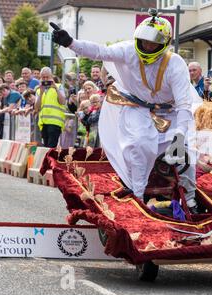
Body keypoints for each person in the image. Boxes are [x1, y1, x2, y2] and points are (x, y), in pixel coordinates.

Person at [51, 12, 201, 213]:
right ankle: (137, 194)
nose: (147, 46)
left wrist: (181, 136)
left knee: (187, 153)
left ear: (164, 44)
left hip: (171, 111)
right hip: (137, 107)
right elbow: (99, 51)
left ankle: (190, 199)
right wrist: (71, 43)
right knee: (139, 144)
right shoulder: (128, 50)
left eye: (152, 43)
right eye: (143, 41)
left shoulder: (175, 64)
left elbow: (183, 104)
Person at [34, 67, 67, 148]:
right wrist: (41, 93)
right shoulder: (38, 90)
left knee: (51, 147)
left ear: (51, 77)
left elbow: (62, 101)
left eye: (47, 77)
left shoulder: (59, 87)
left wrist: (55, 88)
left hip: (55, 122)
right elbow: (37, 108)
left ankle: (49, 160)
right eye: (43, 77)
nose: (45, 80)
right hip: (43, 123)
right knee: (46, 147)